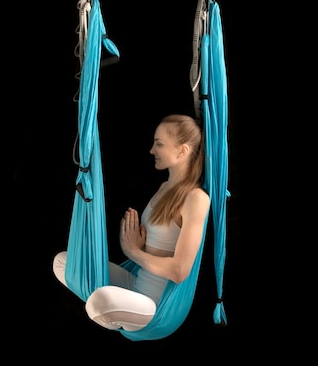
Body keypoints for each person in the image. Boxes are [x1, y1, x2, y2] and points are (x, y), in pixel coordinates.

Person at [53, 114, 210, 331]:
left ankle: (114, 311)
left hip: (154, 306)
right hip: (134, 284)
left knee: (100, 300)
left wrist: (134, 251)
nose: (152, 150)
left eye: (159, 144)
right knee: (63, 261)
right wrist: (138, 245)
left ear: (182, 150)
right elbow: (158, 244)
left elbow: (179, 271)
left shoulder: (196, 198)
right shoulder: (164, 188)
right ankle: (114, 312)